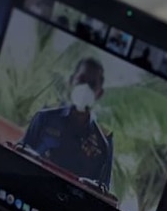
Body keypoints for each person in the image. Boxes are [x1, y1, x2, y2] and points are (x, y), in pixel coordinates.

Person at [18, 57, 115, 192]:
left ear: (99, 93)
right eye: (81, 80)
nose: (85, 88)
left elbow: (102, 192)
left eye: (92, 85)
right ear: (71, 81)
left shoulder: (104, 142)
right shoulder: (44, 118)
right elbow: (19, 157)